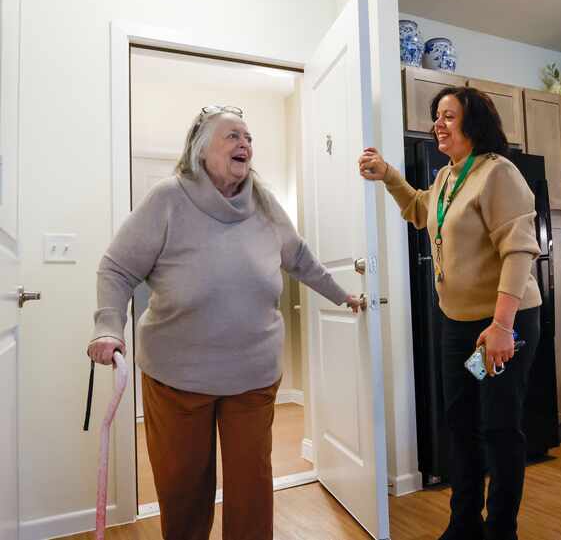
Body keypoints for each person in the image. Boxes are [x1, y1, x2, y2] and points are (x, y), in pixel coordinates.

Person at [87, 105, 361, 540]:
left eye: (249, 137)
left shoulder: (265, 203)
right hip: (177, 378)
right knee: (184, 489)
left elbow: (300, 259)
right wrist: (108, 327)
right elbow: (116, 268)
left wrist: (342, 295)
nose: (245, 144)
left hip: (253, 376)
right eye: (232, 136)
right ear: (200, 150)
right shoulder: (168, 198)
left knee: (252, 489)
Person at [358, 87, 542, 540]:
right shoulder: (447, 177)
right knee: (460, 425)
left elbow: (519, 251)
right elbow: (421, 210)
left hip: (501, 325)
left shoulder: (498, 173)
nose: (437, 124)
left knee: (499, 426)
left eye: (448, 116)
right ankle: (464, 524)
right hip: (456, 325)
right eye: (435, 116)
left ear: (473, 122)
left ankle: (501, 530)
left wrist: (501, 326)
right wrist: (388, 176)